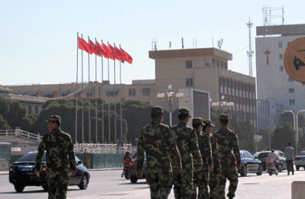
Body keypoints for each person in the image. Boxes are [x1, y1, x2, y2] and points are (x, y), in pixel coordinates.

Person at [136, 106, 182, 199]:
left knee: (154, 193)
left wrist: (139, 168)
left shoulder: (145, 130)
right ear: (160, 116)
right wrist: (178, 165)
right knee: (166, 189)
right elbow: (173, 148)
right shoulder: (165, 129)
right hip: (164, 168)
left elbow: (140, 151)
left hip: (151, 169)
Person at [35, 115, 76, 199]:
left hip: (51, 171)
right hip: (63, 171)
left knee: (52, 192)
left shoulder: (48, 137)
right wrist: (73, 168)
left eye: (49, 124)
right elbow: (71, 154)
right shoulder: (66, 137)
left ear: (55, 124)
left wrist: (37, 168)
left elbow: (40, 152)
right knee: (62, 193)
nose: (48, 126)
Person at [171, 109, 203, 199]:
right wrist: (199, 163)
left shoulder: (172, 131)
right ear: (186, 119)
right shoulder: (190, 131)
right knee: (187, 189)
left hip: (175, 164)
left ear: (178, 118)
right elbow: (195, 149)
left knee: (177, 187)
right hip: (187, 164)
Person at [213, 114, 241, 199]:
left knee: (221, 183)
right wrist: (238, 162)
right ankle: (231, 194)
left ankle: (222, 197)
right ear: (227, 123)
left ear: (220, 123)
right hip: (229, 161)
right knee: (234, 179)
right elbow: (236, 149)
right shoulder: (232, 134)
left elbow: (213, 150)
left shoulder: (216, 135)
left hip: (219, 161)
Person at [191, 117, 213, 199]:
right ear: (199, 127)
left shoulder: (188, 137)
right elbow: (208, 153)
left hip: (191, 167)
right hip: (203, 168)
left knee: (192, 190)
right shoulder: (204, 138)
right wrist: (211, 165)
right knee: (203, 190)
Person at [203, 119, 222, 199]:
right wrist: (217, 169)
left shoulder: (198, 138)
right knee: (214, 190)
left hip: (202, 168)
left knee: (203, 190)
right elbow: (215, 155)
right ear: (206, 128)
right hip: (212, 168)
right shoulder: (212, 139)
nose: (211, 129)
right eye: (210, 127)